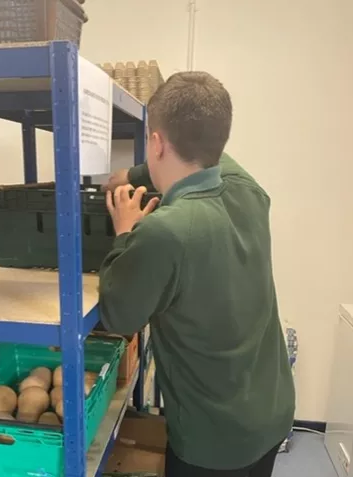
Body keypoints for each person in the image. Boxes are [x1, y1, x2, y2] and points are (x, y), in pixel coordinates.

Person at [98, 71, 295, 477]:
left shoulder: (163, 231)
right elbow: (211, 155)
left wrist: (124, 233)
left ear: (156, 143)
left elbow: (119, 315)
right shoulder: (248, 191)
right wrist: (134, 175)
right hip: (270, 413)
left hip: (213, 441)